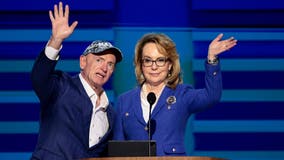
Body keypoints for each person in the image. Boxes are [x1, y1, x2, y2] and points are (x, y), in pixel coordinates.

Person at [113, 33, 237, 156]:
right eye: (148, 60)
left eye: (160, 60)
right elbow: (117, 149)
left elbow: (212, 96)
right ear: (140, 64)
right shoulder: (124, 100)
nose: (154, 66)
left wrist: (212, 58)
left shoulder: (181, 94)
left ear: (170, 64)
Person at [30, 2, 123, 159]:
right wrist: (56, 39)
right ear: (83, 62)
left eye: (110, 64)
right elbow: (39, 77)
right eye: (99, 60)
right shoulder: (61, 86)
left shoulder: (111, 115)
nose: (104, 68)